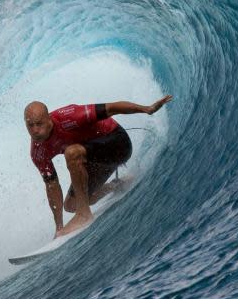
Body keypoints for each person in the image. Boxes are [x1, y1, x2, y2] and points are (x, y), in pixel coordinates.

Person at [24, 95, 172, 237]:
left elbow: (112, 108)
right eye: (30, 125)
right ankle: (116, 186)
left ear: (48, 119)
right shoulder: (38, 152)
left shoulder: (70, 116)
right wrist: (59, 228)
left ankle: (83, 214)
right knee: (70, 205)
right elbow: (52, 186)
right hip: (95, 161)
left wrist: (147, 109)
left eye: (39, 123)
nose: (35, 130)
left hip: (118, 145)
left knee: (72, 152)